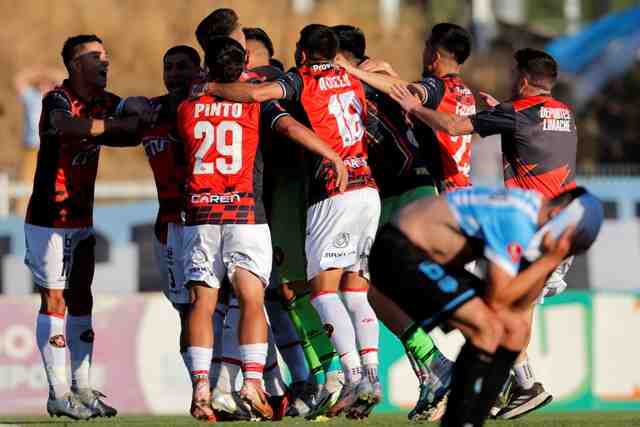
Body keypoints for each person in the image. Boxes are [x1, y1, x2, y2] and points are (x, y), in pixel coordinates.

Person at [204, 24, 383, 419]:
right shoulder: (350, 76)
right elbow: (384, 77)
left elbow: (254, 95)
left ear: (301, 53)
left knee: (321, 292)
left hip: (332, 192)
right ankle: (371, 375)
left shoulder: (300, 79)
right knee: (355, 292)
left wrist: (212, 89)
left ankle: (352, 377)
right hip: (368, 189)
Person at [388, 48, 577, 419]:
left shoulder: (515, 113)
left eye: (513, 75)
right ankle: (517, 384)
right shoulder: (565, 114)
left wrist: (414, 107)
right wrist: (498, 110)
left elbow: (455, 127)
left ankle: (521, 385)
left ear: (522, 80)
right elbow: (531, 131)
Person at [176, 36, 347, 421]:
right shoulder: (255, 103)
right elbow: (288, 128)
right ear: (243, 67)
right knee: (252, 299)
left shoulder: (187, 105)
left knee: (203, 303)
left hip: (201, 214)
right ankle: (253, 382)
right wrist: (331, 153)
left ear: (207, 66)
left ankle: (201, 389)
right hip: (245, 213)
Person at [369, 186, 603, 427]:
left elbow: (518, 306)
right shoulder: (517, 218)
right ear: (557, 217)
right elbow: (499, 299)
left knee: (515, 330)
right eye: (571, 244)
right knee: (486, 327)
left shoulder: (533, 219)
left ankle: (472, 420)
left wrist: (549, 261)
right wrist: (551, 259)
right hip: (398, 251)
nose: (567, 253)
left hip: (427, 256)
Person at [331, 23, 450, 420]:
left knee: (387, 292)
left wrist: (350, 70)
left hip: (410, 190)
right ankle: (434, 376)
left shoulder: (378, 74)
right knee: (386, 295)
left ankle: (462, 368)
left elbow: (390, 82)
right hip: (387, 197)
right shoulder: (347, 86)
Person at [24, 34, 142, 420]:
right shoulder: (57, 98)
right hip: (49, 219)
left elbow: (132, 126)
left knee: (82, 299)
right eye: (97, 58)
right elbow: (65, 125)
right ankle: (57, 393)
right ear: (76, 66)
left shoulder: (104, 102)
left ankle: (82, 387)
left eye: (106, 57)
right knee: (54, 300)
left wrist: (133, 117)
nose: (106, 63)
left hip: (82, 216)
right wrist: (112, 125)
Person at [134, 45, 202, 378]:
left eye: (182, 67)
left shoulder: (205, 109)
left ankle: (234, 384)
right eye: (169, 67)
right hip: (169, 224)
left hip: (205, 221)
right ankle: (201, 389)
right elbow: (113, 127)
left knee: (216, 305)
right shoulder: (152, 113)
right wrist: (130, 104)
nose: (174, 73)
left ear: (199, 70)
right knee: (185, 310)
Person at [14, 67, 64, 214]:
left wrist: (47, 73)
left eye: (47, 83)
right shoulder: (30, 96)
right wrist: (36, 74)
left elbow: (65, 79)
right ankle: (21, 212)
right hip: (31, 146)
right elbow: (18, 80)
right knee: (26, 180)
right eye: (41, 83)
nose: (44, 86)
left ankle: (51, 211)